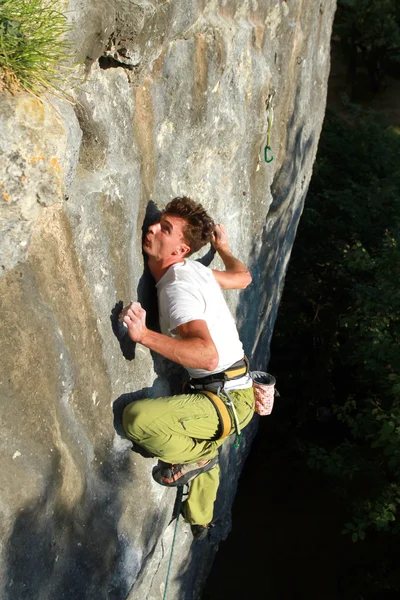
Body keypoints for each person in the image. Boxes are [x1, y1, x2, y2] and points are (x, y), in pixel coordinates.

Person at [120, 197, 254, 538]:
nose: (150, 228)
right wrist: (223, 248)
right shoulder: (196, 270)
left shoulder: (178, 287)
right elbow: (243, 277)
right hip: (232, 391)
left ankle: (202, 456)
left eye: (164, 228)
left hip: (224, 399)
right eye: (157, 222)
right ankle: (200, 518)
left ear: (180, 249)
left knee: (137, 420)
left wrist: (143, 335)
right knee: (200, 436)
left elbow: (206, 355)